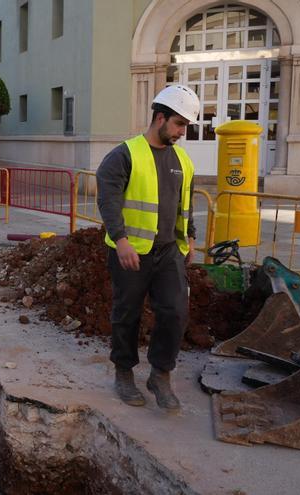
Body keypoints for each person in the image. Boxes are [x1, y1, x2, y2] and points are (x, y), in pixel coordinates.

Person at [96, 85, 199, 412]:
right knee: (127, 313)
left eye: (185, 126)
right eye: (179, 124)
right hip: (131, 251)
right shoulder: (124, 155)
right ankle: (124, 373)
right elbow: (108, 199)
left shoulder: (183, 160)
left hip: (169, 251)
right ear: (160, 118)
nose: (183, 132)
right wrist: (121, 240)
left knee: (175, 311)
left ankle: (160, 374)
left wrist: (191, 236)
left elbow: (187, 204)